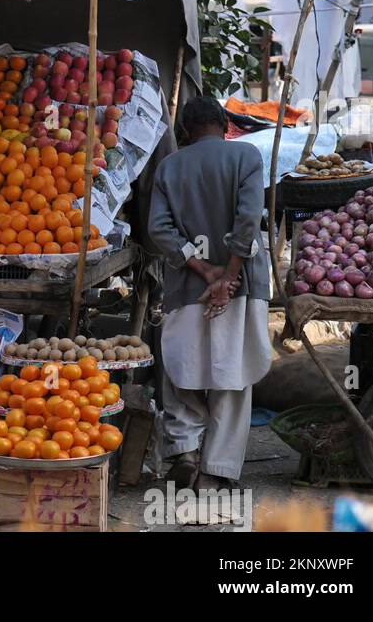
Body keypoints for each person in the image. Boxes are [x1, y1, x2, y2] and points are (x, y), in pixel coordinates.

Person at [148, 96, 271, 491]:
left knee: (181, 369)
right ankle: (216, 469)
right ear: (224, 124)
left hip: (186, 287)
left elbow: (159, 230)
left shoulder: (169, 168)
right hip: (241, 287)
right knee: (231, 376)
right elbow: (249, 218)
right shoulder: (246, 157)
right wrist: (228, 275)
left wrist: (204, 270)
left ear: (185, 130)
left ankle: (184, 450)